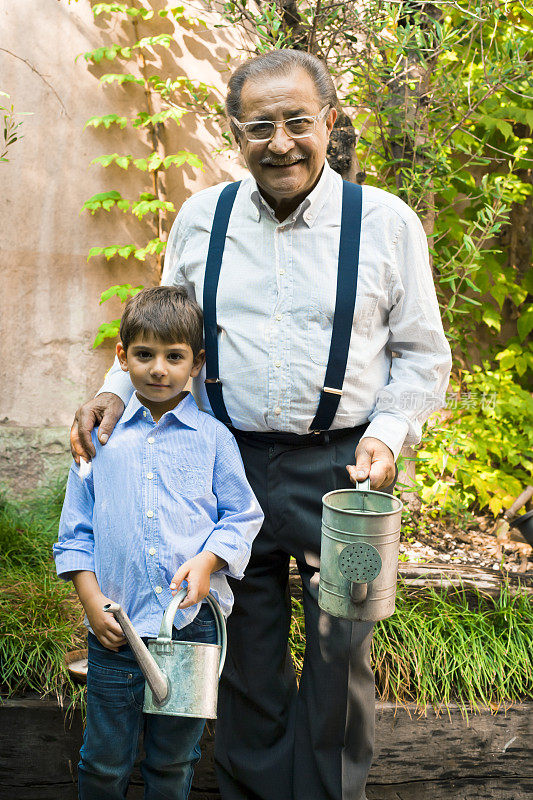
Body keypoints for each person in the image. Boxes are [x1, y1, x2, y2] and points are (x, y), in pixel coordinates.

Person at [71, 50, 451, 800]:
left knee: (342, 651)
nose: (280, 141)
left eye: (297, 122)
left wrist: (388, 433)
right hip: (225, 465)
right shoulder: (200, 219)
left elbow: (420, 354)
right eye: (259, 126)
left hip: (342, 472)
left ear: (330, 123)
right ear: (233, 133)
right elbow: (164, 326)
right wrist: (117, 389)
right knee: (243, 650)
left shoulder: (384, 223)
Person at [55, 286, 263, 800]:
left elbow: (243, 516)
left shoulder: (214, 439)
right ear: (122, 356)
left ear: (196, 364)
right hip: (115, 634)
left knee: (173, 762)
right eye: (144, 355)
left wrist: (207, 560)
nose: (158, 369)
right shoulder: (99, 441)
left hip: (189, 634)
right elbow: (75, 531)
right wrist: (89, 599)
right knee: (103, 762)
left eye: (174, 357)